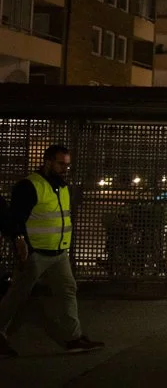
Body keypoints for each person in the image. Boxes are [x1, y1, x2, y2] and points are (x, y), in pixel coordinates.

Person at [0, 145, 104, 359]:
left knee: (67, 290)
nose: (64, 168)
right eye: (60, 163)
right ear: (47, 161)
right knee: (17, 295)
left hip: (58, 253)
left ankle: (74, 338)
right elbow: (16, 218)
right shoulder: (30, 185)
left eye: (67, 164)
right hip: (35, 253)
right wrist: (19, 241)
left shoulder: (62, 187)